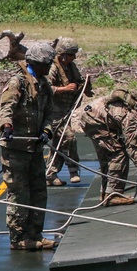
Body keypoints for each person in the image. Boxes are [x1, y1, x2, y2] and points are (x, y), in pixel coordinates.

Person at [0, 42, 56, 251]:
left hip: (35, 147)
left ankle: (35, 234)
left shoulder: (43, 84)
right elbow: (7, 106)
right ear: (35, 62)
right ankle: (18, 238)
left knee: (39, 192)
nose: (49, 67)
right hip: (16, 149)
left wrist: (46, 131)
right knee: (19, 193)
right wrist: (7, 126)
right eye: (45, 64)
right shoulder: (18, 82)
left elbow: (50, 112)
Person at [79, 86, 137, 206]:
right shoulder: (131, 117)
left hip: (93, 115)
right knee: (118, 154)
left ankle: (106, 193)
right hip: (95, 121)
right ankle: (113, 195)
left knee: (108, 153)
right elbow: (133, 151)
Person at [45, 38, 92, 186]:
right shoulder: (52, 69)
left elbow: (79, 82)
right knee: (69, 137)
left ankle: (50, 173)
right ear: (63, 55)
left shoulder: (71, 67)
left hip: (66, 110)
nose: (74, 58)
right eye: (71, 54)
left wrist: (82, 86)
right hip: (53, 111)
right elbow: (45, 88)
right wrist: (64, 89)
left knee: (60, 142)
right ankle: (73, 169)